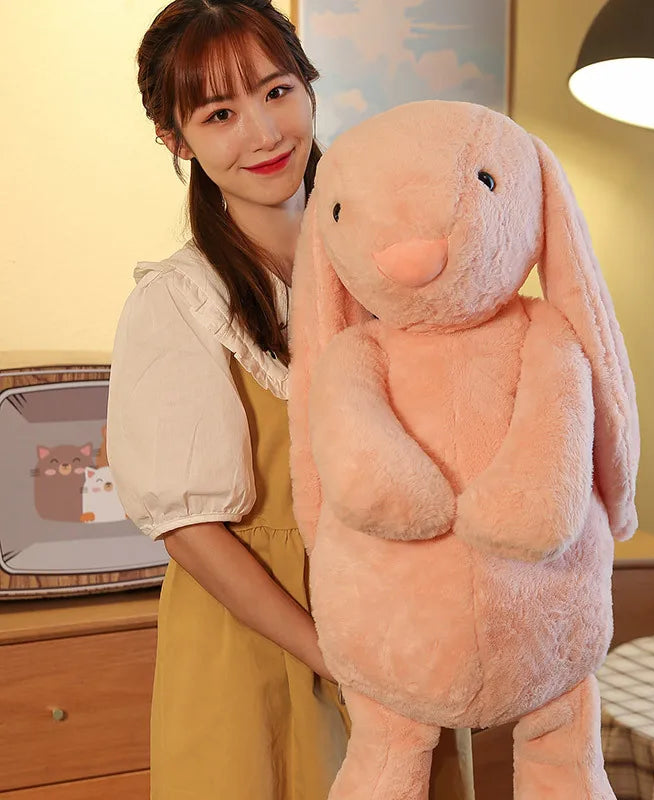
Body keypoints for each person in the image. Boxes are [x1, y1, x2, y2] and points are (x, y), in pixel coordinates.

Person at [106, 2, 475, 799]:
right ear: (176, 140)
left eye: (277, 92)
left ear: (309, 87)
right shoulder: (180, 301)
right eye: (220, 114)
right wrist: (335, 657)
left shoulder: (388, 264)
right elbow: (193, 533)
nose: (264, 132)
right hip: (261, 646)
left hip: (403, 629)